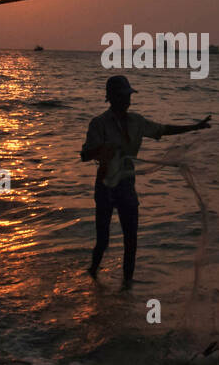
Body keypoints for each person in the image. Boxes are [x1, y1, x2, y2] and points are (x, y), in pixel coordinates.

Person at [80, 74, 210, 288]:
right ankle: (92, 275)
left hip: (126, 186)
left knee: (131, 238)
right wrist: (103, 150)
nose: (128, 100)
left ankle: (127, 285)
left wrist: (194, 127)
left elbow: (163, 129)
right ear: (112, 98)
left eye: (129, 95)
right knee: (102, 240)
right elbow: (85, 155)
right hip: (104, 186)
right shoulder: (99, 124)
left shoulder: (137, 122)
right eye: (123, 96)